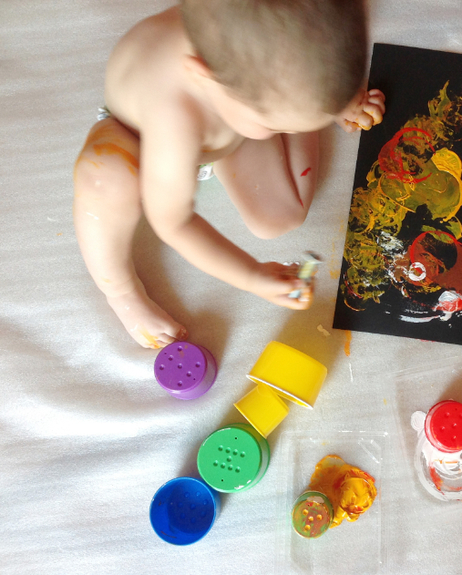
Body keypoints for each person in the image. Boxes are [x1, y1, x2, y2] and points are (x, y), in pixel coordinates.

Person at [73, 0, 385, 348]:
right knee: (106, 179)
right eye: (276, 125)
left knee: (278, 218)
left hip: (235, 109)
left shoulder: (246, 61)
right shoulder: (174, 120)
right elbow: (173, 223)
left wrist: (333, 98)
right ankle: (120, 292)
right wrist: (252, 275)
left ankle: (298, 107)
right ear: (207, 78)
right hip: (137, 137)